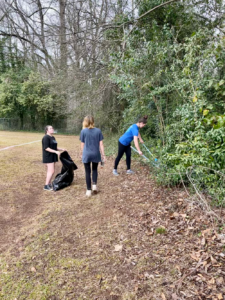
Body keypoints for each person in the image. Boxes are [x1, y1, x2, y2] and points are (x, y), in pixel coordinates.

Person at [80, 116, 105, 197]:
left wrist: (82, 153)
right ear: (93, 121)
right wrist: (103, 155)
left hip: (86, 154)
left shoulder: (83, 131)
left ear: (85, 122)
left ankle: (88, 190)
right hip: (95, 153)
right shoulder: (98, 131)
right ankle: (94, 185)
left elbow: (82, 144)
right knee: (94, 169)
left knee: (87, 172)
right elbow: (101, 144)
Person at [42, 125, 66, 191]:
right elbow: (46, 148)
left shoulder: (53, 137)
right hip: (48, 156)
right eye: (50, 128)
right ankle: (46, 185)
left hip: (53, 156)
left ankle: (49, 183)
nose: (52, 129)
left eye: (52, 128)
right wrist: (56, 152)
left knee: (51, 171)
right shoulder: (46, 137)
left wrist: (61, 149)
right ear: (47, 130)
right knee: (51, 171)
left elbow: (54, 147)